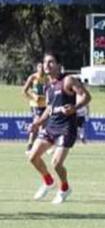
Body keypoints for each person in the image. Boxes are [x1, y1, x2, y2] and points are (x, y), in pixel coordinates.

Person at [28, 52, 91, 204]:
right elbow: (49, 109)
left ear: (58, 65)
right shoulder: (47, 85)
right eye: (45, 62)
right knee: (32, 157)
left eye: (51, 62)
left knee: (56, 163)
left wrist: (74, 107)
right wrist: (37, 123)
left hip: (66, 127)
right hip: (51, 126)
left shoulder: (68, 80)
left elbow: (86, 96)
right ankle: (49, 181)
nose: (47, 65)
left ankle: (64, 188)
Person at [22, 63, 47, 153]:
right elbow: (24, 91)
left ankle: (37, 146)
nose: (42, 69)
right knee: (37, 124)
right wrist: (33, 97)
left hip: (45, 105)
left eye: (43, 67)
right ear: (37, 68)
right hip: (35, 105)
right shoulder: (33, 77)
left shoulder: (47, 78)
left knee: (43, 126)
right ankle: (30, 146)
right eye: (40, 67)